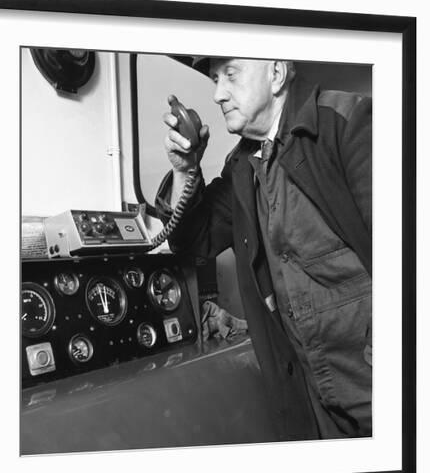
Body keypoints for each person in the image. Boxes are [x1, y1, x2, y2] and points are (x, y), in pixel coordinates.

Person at [155, 57, 372, 440]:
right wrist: (185, 170)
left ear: (275, 73)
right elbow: (193, 240)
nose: (218, 94)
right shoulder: (242, 166)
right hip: (313, 394)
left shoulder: (349, 122)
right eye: (215, 79)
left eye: (231, 76)